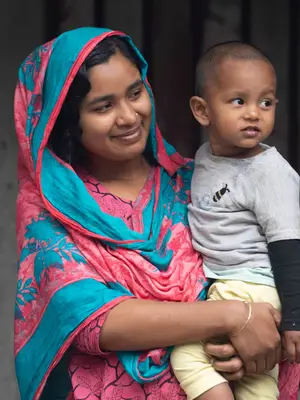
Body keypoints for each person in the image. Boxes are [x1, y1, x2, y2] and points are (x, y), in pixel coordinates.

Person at [14, 28, 298, 400]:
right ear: (66, 120)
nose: (129, 116)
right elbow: (88, 319)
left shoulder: (195, 183)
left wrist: (246, 352)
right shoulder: (51, 213)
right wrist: (233, 318)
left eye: (135, 93)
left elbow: (271, 270)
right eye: (103, 106)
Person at [171, 42, 300, 400]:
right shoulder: (206, 158)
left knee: (187, 356)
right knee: (257, 381)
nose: (254, 114)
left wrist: (294, 320)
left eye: (266, 102)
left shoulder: (269, 172)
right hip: (232, 286)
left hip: (248, 286)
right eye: (238, 101)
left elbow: (288, 245)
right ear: (202, 110)